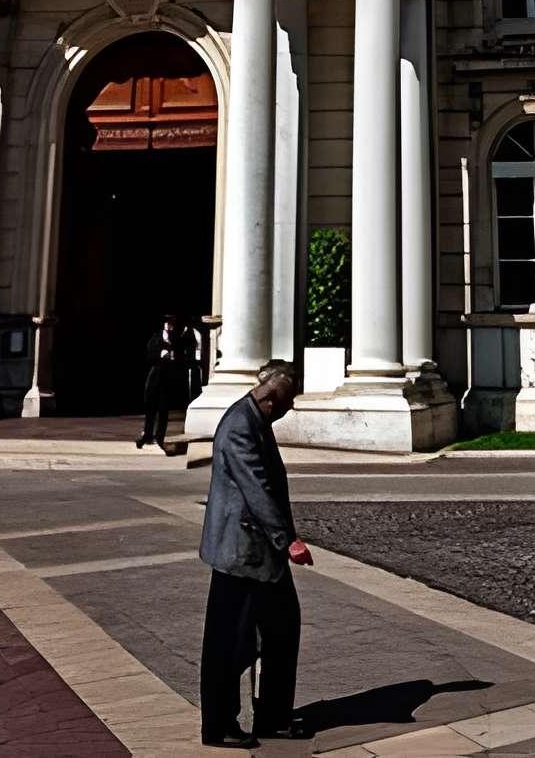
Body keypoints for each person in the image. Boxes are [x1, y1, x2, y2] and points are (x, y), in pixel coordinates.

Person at [198, 359, 308, 748]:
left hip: (257, 555)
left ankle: (273, 717)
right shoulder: (240, 426)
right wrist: (288, 540)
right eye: (287, 400)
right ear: (271, 398)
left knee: (282, 628)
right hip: (241, 554)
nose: (289, 408)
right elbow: (257, 489)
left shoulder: (252, 420)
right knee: (229, 641)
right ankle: (219, 723)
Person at [140, 317, 193, 450]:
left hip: (168, 377)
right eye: (167, 323)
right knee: (150, 407)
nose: (169, 326)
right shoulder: (156, 337)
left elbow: (182, 357)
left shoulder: (177, 339)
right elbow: (149, 356)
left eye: (171, 324)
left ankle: (159, 437)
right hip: (155, 374)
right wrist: (160, 354)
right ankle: (147, 434)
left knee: (163, 409)